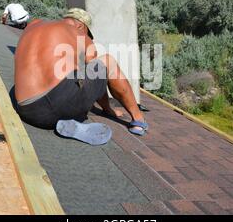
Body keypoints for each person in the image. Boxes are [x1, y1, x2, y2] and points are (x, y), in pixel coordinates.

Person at [14, 8, 148, 136]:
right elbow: (97, 75)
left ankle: (67, 117)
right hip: (59, 105)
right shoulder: (80, 35)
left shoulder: (34, 25)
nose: (88, 36)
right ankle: (138, 119)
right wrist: (107, 109)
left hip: (27, 110)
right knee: (108, 61)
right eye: (88, 32)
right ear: (80, 26)